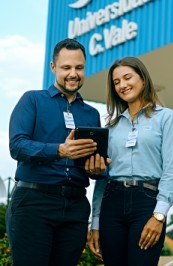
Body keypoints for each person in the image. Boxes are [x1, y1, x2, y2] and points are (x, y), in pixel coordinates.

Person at [6, 38, 108, 266]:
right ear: (53, 68)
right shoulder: (32, 100)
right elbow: (17, 145)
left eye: (79, 68)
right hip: (34, 203)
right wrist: (59, 150)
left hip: (75, 206)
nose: (73, 73)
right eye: (66, 68)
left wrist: (98, 168)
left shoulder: (91, 114)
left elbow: (94, 169)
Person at [88, 56, 173, 266]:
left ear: (143, 78)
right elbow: (102, 178)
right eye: (116, 82)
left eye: (127, 77)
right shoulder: (110, 127)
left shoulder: (167, 118)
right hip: (112, 203)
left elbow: (171, 171)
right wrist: (95, 223)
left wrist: (159, 216)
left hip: (147, 201)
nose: (122, 85)